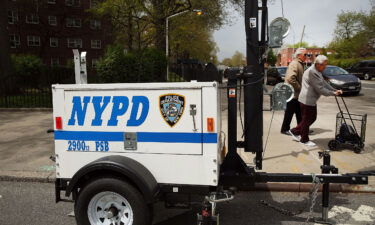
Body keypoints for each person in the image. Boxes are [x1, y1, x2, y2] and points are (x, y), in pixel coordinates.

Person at [288, 55, 343, 147]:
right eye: (323, 65)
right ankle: (304, 139)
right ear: (318, 64)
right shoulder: (312, 72)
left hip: (311, 100)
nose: (325, 67)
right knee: (306, 120)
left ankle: (295, 131)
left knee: (312, 118)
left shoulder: (317, 71)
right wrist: (333, 93)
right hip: (307, 100)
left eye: (326, 65)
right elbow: (320, 89)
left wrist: (334, 90)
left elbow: (324, 83)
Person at [280, 48, 306, 135]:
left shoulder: (299, 63)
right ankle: (285, 129)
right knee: (289, 112)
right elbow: (290, 78)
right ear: (299, 55)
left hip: (296, 94)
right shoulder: (295, 63)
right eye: (305, 55)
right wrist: (300, 88)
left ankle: (301, 128)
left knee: (300, 113)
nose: (306, 57)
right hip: (292, 93)